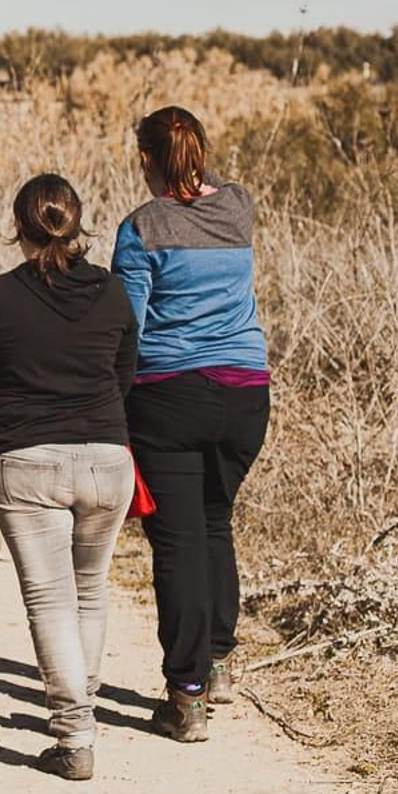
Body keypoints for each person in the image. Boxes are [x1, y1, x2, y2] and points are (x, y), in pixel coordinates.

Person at [0, 174, 139, 780]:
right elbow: (125, 376)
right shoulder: (111, 293)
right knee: (90, 589)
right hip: (108, 459)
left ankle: (75, 732)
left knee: (51, 599)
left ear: (19, 226)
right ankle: (81, 704)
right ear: (78, 224)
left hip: (26, 461)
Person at [113, 107, 270, 744]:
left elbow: (130, 329)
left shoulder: (142, 227)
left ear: (148, 160)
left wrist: (111, 405)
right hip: (246, 394)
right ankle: (221, 661)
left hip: (170, 395)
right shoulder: (239, 207)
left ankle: (187, 694)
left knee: (175, 543)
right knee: (214, 522)